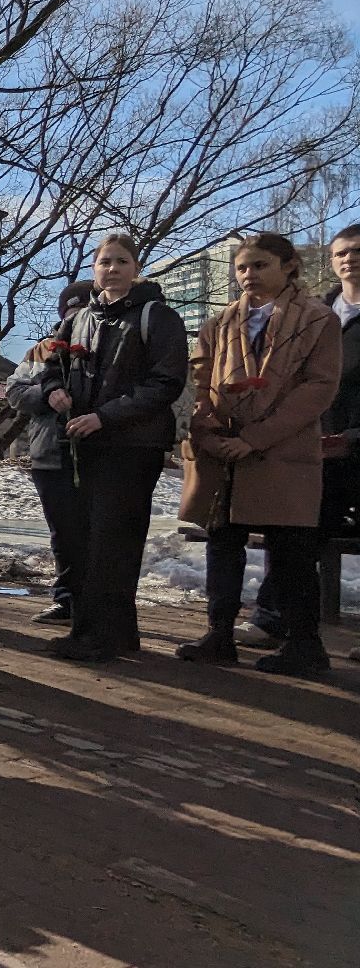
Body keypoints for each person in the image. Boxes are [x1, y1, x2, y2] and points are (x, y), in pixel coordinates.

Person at [176, 232, 340, 676]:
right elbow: (201, 381)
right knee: (223, 543)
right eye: (242, 267)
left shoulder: (317, 319)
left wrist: (258, 436)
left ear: (289, 267)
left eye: (260, 265)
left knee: (291, 550)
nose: (249, 274)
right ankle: (219, 634)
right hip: (225, 453)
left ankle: (305, 645)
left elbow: (319, 388)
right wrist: (208, 431)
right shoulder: (220, 323)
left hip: (283, 450)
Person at [34, 235, 188, 661]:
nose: (112, 269)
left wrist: (107, 416)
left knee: (113, 542)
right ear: (94, 268)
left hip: (131, 445)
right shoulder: (78, 319)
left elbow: (165, 383)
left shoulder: (158, 317)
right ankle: (109, 633)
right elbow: (51, 369)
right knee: (86, 541)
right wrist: (55, 394)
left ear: (136, 267)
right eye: (104, 262)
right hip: (84, 445)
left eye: (122, 261)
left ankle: (98, 636)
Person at [236, 223, 360, 653]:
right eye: (341, 252)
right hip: (311, 443)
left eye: (357, 251)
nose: (349, 259)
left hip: (356, 442)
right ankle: (273, 619)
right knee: (294, 535)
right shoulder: (318, 310)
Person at [4, 280, 97, 628]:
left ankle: (97, 600)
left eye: (82, 309)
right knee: (63, 531)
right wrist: (47, 396)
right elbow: (15, 391)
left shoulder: (103, 345)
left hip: (94, 452)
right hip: (49, 453)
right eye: (69, 311)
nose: (74, 318)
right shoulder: (41, 350)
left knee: (94, 530)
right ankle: (66, 598)